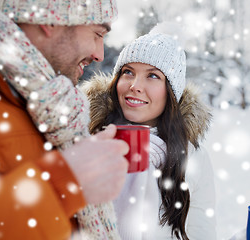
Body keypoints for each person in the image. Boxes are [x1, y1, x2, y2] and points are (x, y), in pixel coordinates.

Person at [0, 0, 129, 239]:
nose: (99, 54)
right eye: (97, 34)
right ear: (50, 20)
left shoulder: (52, 110)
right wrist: (62, 184)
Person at [80, 24, 217, 239]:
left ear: (172, 91)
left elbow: (202, 234)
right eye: (128, 72)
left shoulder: (193, 158)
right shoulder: (85, 137)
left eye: (153, 76)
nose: (135, 85)